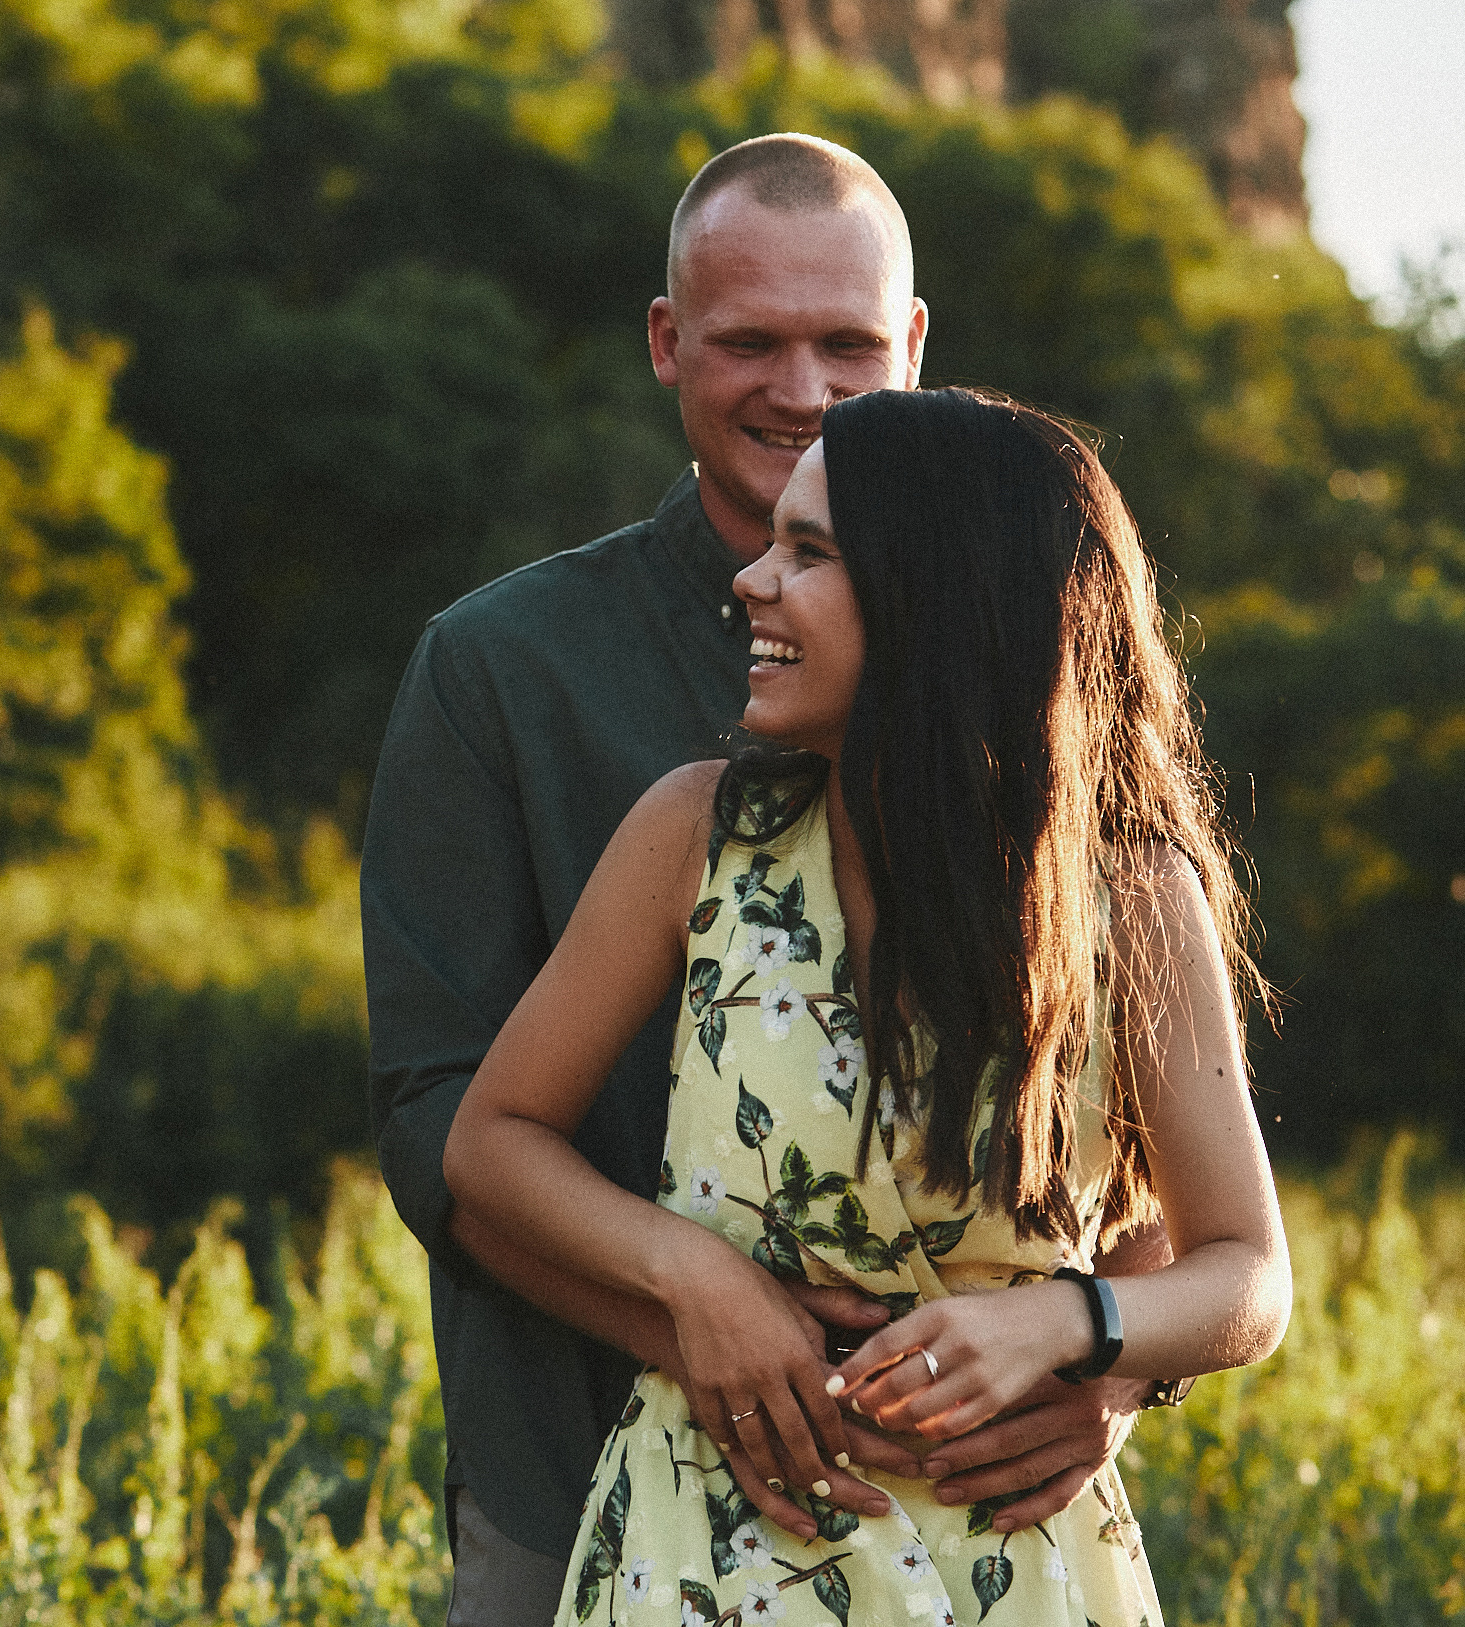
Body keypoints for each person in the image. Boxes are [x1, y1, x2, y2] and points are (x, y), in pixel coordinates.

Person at [362, 133, 1173, 1627]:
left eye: (848, 342)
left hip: (973, 1505)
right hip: (581, 1478)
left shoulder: (1033, 697)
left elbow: (1141, 1121)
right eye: (750, 342)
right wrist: (700, 1320)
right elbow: (441, 1125)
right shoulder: (497, 669)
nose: (803, 390)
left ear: (916, 345)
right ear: (668, 342)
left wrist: (1113, 1367)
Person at [443, 387, 1292, 1626]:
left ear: (935, 598)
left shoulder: (1133, 894)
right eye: (773, 540)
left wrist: (1071, 1327)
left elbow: (1248, 1274)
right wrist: (694, 1283)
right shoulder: (697, 834)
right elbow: (489, 1143)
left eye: (811, 552)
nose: (751, 580)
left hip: (1012, 1561)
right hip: (711, 1548)